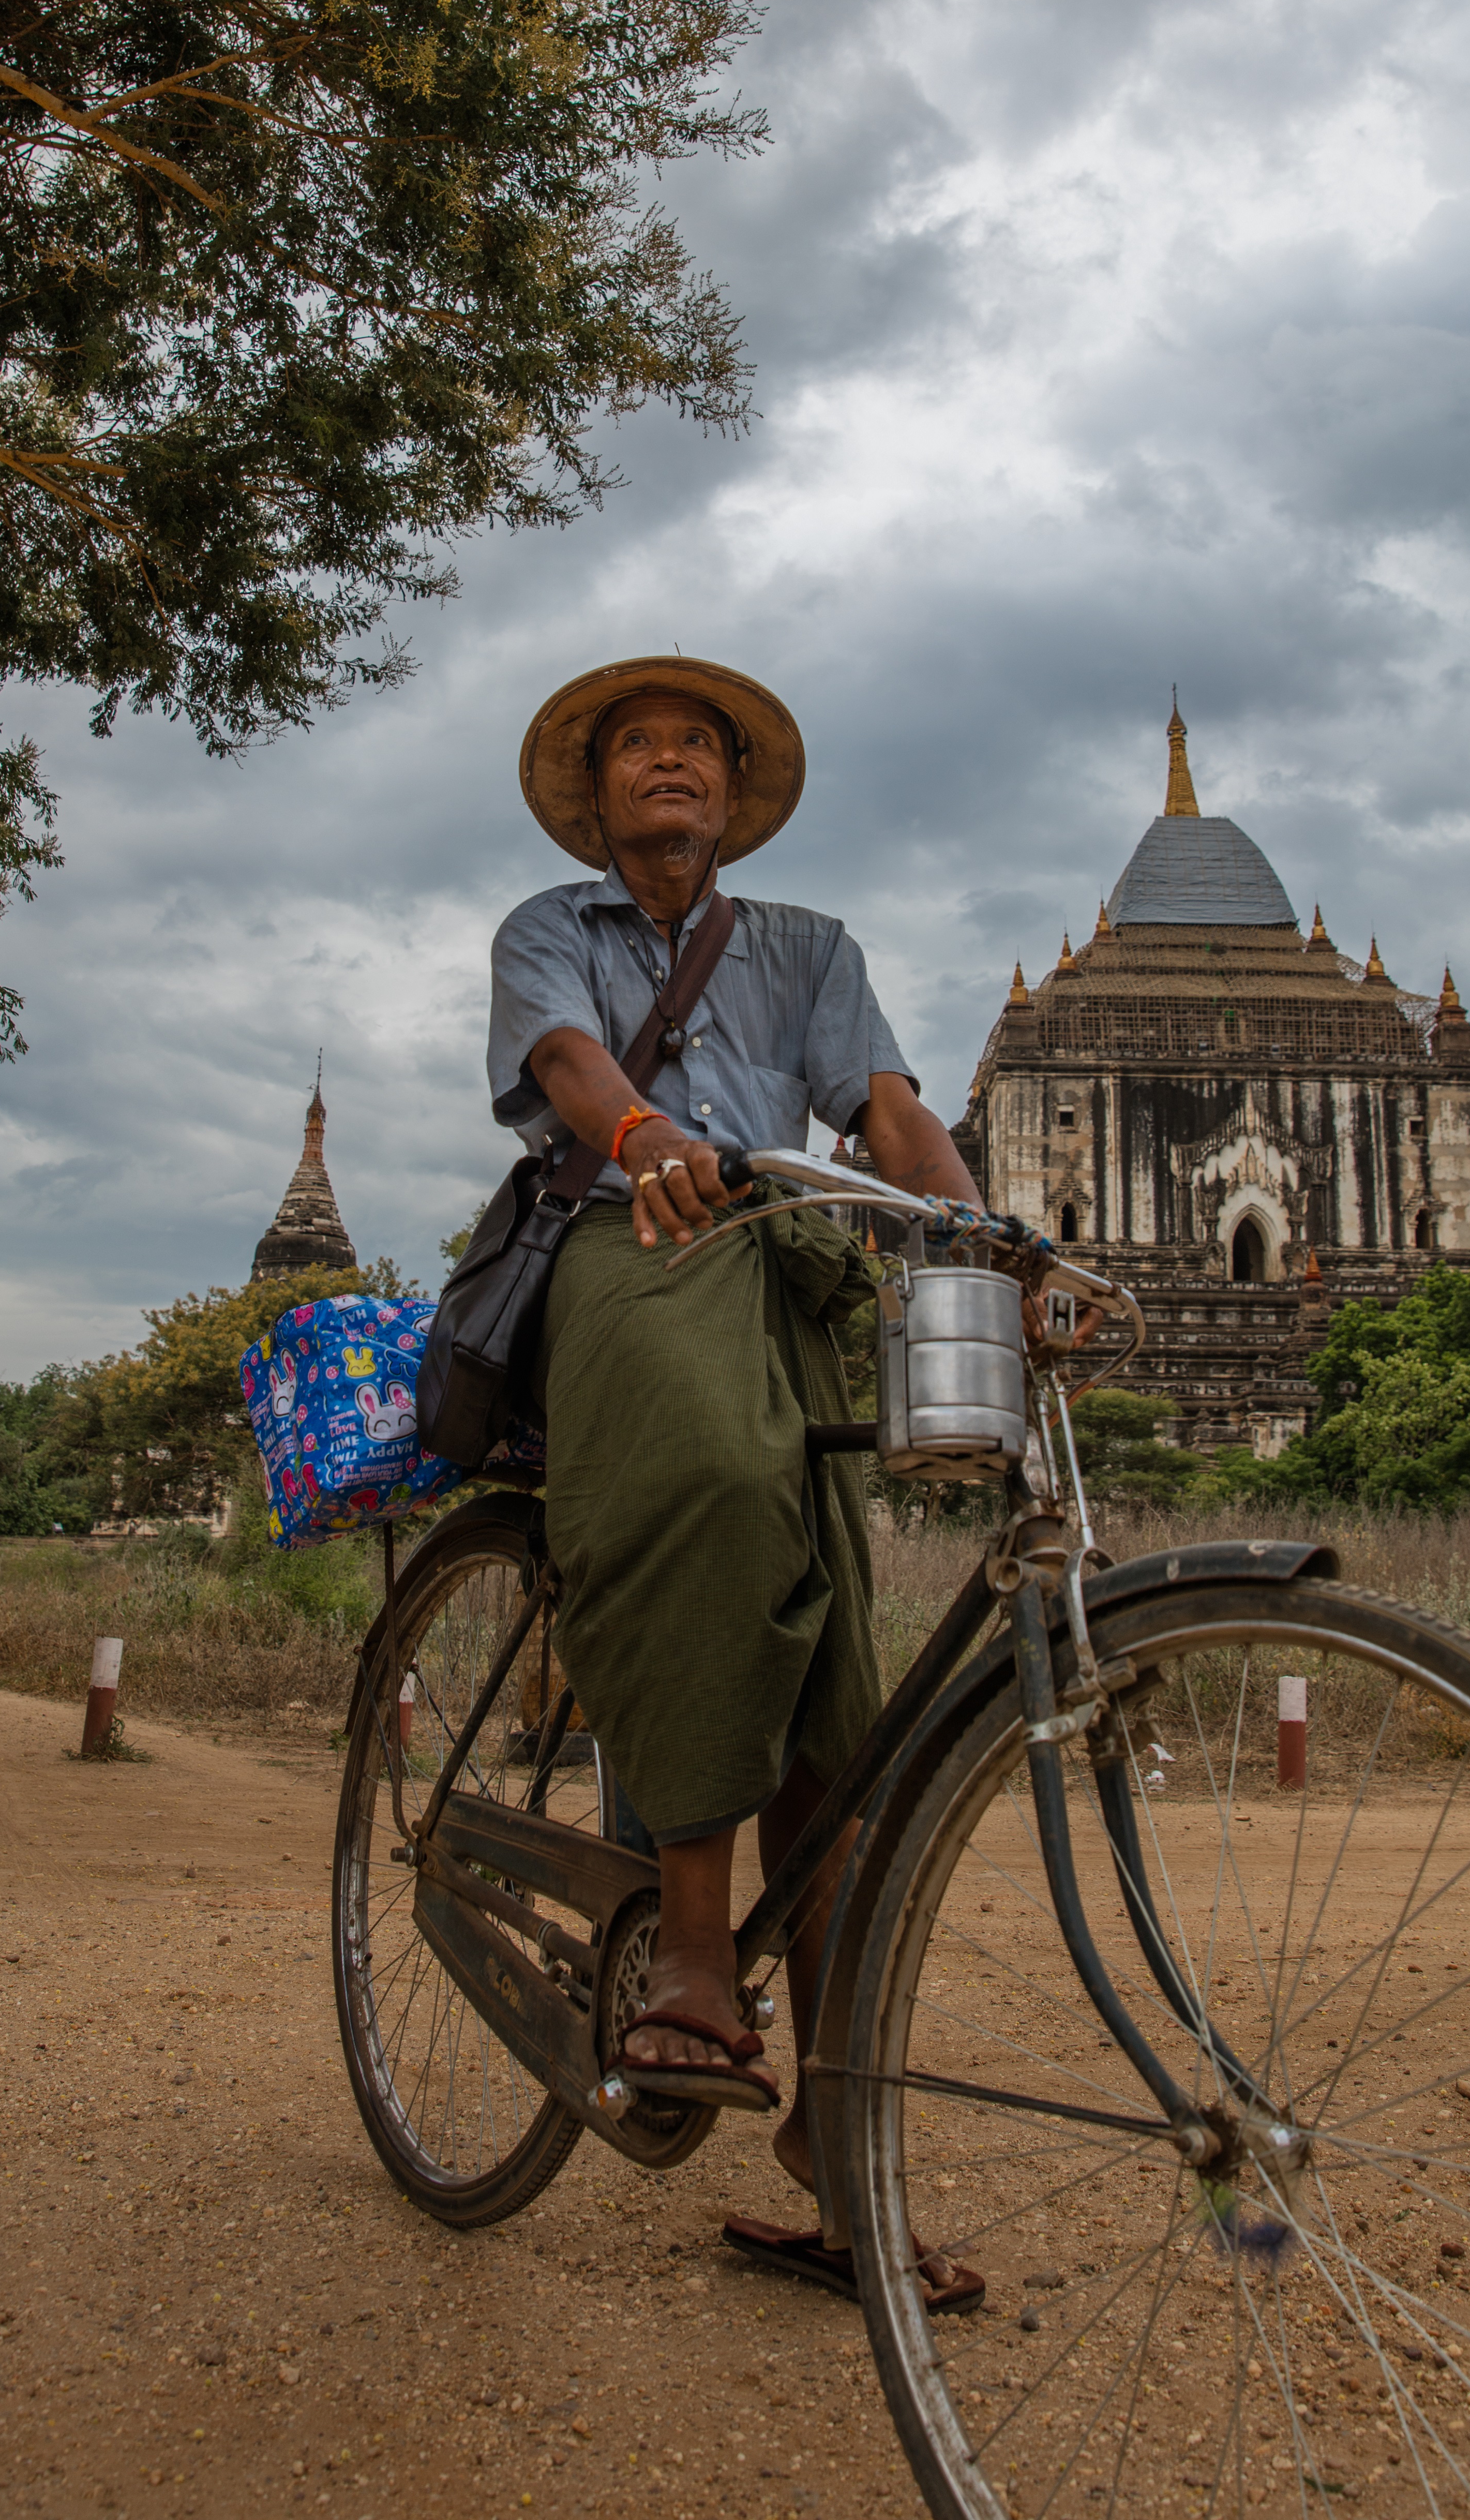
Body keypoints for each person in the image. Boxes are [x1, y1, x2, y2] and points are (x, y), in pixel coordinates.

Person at [490, 654, 983, 2223]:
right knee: (709, 1484)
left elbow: (889, 1115)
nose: (668, 765)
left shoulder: (810, 948)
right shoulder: (546, 932)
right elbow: (569, 1067)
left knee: (838, 1660)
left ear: (731, 794)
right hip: (623, 1238)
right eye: (637, 748)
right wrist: (646, 1138)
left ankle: (833, 2131)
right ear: (599, 796)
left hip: (785, 1264)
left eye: (694, 747)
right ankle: (696, 1956)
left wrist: (986, 1243)